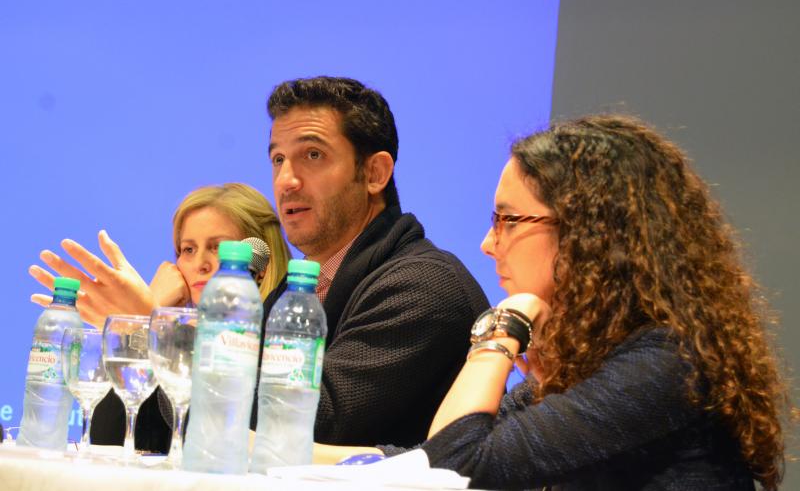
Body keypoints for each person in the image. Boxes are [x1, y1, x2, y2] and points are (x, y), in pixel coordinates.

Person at [319, 115, 792, 490]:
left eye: (507, 220)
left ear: (588, 233)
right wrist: (296, 455)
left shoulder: (666, 362)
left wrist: (504, 325)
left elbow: (454, 466)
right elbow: (428, 457)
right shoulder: (591, 360)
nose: (488, 243)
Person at [253, 76, 490, 447]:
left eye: (312, 155)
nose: (286, 181)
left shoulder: (422, 286)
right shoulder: (301, 288)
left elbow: (314, 424)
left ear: (375, 174)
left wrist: (188, 352)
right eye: (278, 159)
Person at [30, 182, 290, 452]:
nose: (200, 263)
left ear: (259, 263)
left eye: (218, 248)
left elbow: (219, 436)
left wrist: (147, 317)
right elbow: (108, 437)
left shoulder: (279, 336)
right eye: (188, 249)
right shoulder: (177, 338)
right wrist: (153, 316)